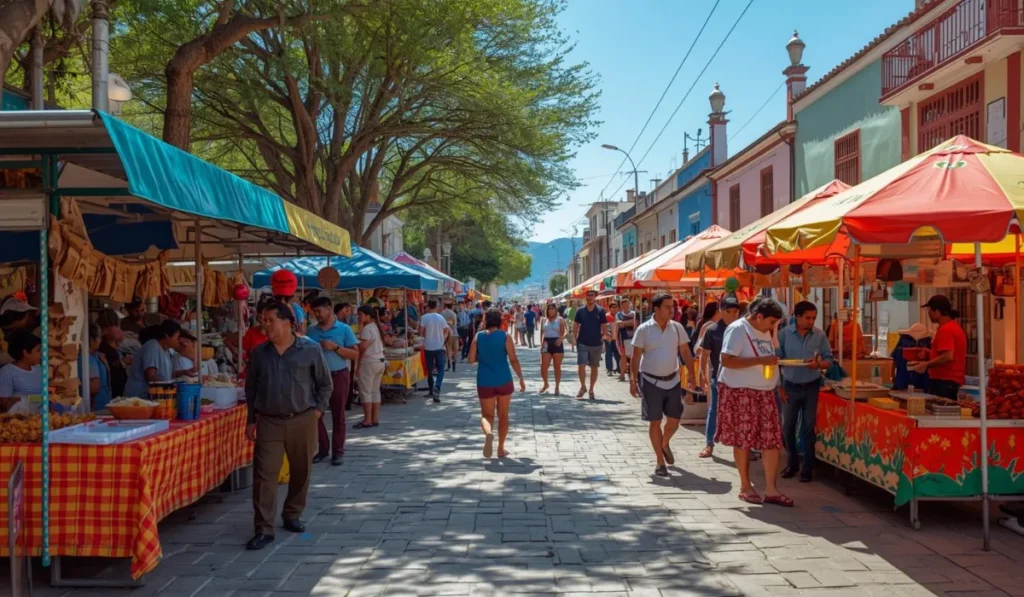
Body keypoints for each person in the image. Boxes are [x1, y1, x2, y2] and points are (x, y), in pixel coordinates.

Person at [244, 302, 332, 550]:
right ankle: (263, 527)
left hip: (303, 418)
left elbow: (325, 384)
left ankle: (292, 513)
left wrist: (317, 412)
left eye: (270, 320)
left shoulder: (310, 349)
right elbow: (251, 390)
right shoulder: (260, 354)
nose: (265, 325)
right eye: (263, 320)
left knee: (301, 470)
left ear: (286, 322)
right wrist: (251, 419)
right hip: (269, 420)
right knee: (264, 475)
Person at [716, 296, 791, 507]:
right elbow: (726, 360)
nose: (773, 327)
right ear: (759, 316)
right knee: (743, 439)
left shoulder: (766, 330)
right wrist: (760, 361)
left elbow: (768, 358)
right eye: (771, 322)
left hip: (765, 391)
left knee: (772, 440)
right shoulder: (738, 329)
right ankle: (745, 486)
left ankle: (771, 489)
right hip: (741, 392)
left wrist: (777, 382)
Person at [629, 293, 697, 477]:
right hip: (650, 381)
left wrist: (692, 374)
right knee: (655, 421)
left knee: (674, 420)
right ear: (656, 309)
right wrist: (633, 380)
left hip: (673, 380)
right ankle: (660, 462)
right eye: (667, 307)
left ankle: (664, 442)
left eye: (672, 307)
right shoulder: (644, 329)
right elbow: (635, 357)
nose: (671, 310)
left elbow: (685, 351)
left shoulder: (677, 328)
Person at [776, 300, 833, 483]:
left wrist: (818, 364)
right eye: (808, 317)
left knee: (809, 428)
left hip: (811, 385)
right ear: (797, 317)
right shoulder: (783, 334)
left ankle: (808, 468)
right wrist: (779, 387)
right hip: (790, 385)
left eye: (814, 318)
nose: (811, 321)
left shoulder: (819, 335)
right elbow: (776, 361)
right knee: (788, 427)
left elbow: (829, 360)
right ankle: (792, 463)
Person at [307, 297, 359, 466]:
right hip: (316, 378)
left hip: (338, 375)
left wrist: (335, 347)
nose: (316, 315)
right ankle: (323, 449)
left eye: (318, 311)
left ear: (328, 309)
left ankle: (338, 452)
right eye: (314, 312)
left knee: (339, 415)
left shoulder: (344, 329)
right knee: (316, 414)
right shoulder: (311, 331)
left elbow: (355, 354)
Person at [467, 308, 526, 458]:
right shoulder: (506, 336)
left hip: (485, 380)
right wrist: (520, 377)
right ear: (500, 321)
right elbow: (513, 359)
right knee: (504, 415)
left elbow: (470, 360)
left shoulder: (478, 337)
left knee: (487, 415)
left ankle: (488, 434)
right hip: (504, 379)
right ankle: (500, 448)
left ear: (485, 321)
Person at [698, 296, 740, 458]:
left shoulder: (742, 329)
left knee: (740, 413)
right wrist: (703, 374)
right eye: (729, 311)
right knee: (714, 410)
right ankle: (709, 444)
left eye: (736, 311)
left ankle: (743, 446)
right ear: (721, 312)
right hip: (718, 377)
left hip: (739, 379)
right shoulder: (712, 330)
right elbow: (704, 354)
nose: (733, 315)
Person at [910, 295, 967, 399]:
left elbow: (948, 356)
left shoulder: (946, 330)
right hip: (949, 382)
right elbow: (946, 353)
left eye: (930, 311)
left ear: (937, 311)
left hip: (944, 382)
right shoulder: (953, 327)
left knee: (940, 413)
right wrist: (929, 354)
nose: (929, 314)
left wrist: (926, 365)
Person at [124, 319, 181, 397]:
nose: (179, 341)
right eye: (177, 338)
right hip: (139, 397)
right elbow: (151, 377)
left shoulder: (166, 351)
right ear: (167, 336)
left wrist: (185, 372)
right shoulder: (152, 346)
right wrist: (171, 386)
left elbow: (166, 375)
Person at [354, 305, 387, 428]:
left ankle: (367, 419)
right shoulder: (375, 327)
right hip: (379, 361)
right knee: (374, 391)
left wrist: (358, 366)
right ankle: (375, 418)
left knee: (366, 392)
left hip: (369, 362)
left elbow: (363, 347)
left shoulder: (367, 328)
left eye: (361, 314)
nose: (359, 317)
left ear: (368, 315)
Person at [574, 290, 607, 400]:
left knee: (594, 367)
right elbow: (576, 324)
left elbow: (603, 325)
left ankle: (591, 389)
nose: (590, 297)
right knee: (581, 365)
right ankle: (583, 387)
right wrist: (574, 338)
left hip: (596, 343)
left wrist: (604, 336)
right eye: (588, 295)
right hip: (582, 342)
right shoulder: (580, 311)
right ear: (586, 297)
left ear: (595, 297)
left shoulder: (600, 311)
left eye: (592, 295)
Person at [0, 331, 42, 414]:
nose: (41, 354)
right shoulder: (7, 372)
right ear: (25, 352)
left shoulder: (39, 370)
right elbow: (3, 404)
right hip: (18, 421)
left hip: (40, 418)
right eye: (38, 351)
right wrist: (21, 400)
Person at [420, 299, 451, 402]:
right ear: (437, 306)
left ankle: (430, 390)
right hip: (439, 347)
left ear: (428, 306)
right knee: (440, 369)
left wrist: (426, 336)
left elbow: (421, 332)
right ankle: (437, 387)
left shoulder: (424, 318)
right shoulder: (441, 318)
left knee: (429, 369)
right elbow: (447, 330)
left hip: (428, 347)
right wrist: (443, 338)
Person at [95, 308, 130, 397]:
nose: (119, 329)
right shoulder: (101, 347)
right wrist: (122, 362)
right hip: (110, 393)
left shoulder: (117, 346)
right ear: (104, 329)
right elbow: (106, 367)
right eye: (115, 326)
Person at [890, 323, 932, 391]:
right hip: (921, 381)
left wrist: (892, 376)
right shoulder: (927, 343)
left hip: (903, 380)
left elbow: (894, 360)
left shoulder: (903, 341)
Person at [84, 323, 113, 411]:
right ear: (92, 340)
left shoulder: (97, 356)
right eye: (99, 337)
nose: (101, 341)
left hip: (104, 405)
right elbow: (94, 388)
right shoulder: (88, 359)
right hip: (96, 408)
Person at [540, 303, 566, 395]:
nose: (551, 310)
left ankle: (557, 386)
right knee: (543, 366)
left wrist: (560, 339)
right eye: (549, 309)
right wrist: (541, 343)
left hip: (557, 343)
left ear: (555, 310)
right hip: (547, 342)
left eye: (552, 308)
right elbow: (542, 332)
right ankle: (546, 383)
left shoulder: (560, 319)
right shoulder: (543, 320)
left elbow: (564, 331)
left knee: (557, 367)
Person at [616, 298, 638, 383]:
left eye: (627, 304)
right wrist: (628, 322)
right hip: (623, 338)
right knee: (623, 356)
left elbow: (634, 322)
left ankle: (633, 374)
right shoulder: (619, 314)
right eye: (624, 304)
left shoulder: (633, 313)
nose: (626, 306)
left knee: (634, 356)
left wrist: (624, 322)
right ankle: (622, 374)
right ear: (622, 306)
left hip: (633, 337)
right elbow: (619, 324)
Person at [604, 301, 621, 377]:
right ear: (610, 308)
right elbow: (605, 327)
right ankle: (609, 369)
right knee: (609, 353)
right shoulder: (607, 316)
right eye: (613, 308)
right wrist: (607, 336)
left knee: (618, 354)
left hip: (617, 338)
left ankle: (619, 368)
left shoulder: (619, 316)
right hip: (609, 338)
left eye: (616, 307)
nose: (614, 309)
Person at [441, 301, 459, 371]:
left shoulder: (442, 313)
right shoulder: (453, 314)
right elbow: (454, 324)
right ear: (451, 306)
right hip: (454, 333)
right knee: (455, 349)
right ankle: (454, 363)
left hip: (445, 333)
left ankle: (449, 362)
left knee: (448, 348)